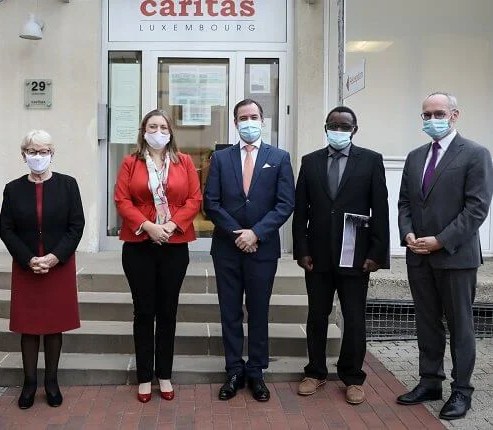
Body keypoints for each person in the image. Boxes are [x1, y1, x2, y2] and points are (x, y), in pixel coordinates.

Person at [396, 92, 493, 420]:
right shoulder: (414, 156)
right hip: (418, 256)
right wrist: (407, 232)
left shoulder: (476, 154)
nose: (431, 119)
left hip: (455, 256)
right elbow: (405, 203)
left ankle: (462, 390)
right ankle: (430, 381)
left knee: (460, 325)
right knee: (426, 321)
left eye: (438, 113)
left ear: (454, 115)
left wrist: (440, 240)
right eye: (426, 114)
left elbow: (476, 208)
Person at [292, 106, 389, 405]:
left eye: (344, 126)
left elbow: (380, 210)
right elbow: (300, 212)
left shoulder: (371, 161)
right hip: (317, 256)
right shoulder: (310, 162)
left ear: (354, 129)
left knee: (354, 318)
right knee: (316, 316)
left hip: (356, 256)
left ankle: (352, 376)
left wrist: (376, 253)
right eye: (333, 125)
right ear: (325, 127)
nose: (338, 129)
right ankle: (315, 371)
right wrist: (301, 250)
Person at [203, 99, 295, 402]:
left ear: (263, 120)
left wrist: (256, 233)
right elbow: (211, 203)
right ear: (235, 123)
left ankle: (256, 371)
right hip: (227, 249)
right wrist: (237, 234)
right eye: (243, 117)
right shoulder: (219, 158)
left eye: (254, 116)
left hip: (263, 248)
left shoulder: (279, 158)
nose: (249, 122)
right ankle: (233, 370)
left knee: (258, 311)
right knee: (230, 312)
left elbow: (285, 204)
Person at [114, 109, 202, 403]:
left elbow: (194, 199)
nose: (158, 131)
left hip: (174, 245)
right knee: (144, 311)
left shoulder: (185, 161)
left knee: (167, 311)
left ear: (171, 132)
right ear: (143, 131)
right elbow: (122, 199)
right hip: (139, 245)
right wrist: (149, 227)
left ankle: (163, 374)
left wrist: (172, 226)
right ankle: (143, 376)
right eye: (152, 126)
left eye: (163, 126)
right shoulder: (130, 162)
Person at [0, 130, 85, 409]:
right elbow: (7, 230)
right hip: (27, 267)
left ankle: (51, 382)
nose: (39, 156)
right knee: (28, 327)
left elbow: (76, 226)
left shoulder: (68, 185)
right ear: (23, 154)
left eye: (44, 151)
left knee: (53, 327)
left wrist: (54, 257)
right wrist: (28, 259)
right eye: (33, 151)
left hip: (57, 266)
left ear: (52, 153)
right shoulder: (12, 189)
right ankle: (29, 383)